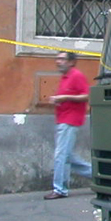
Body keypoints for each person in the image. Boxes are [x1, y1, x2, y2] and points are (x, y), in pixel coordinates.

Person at [44, 51, 92, 199]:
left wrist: (65, 97)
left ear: (71, 62)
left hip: (70, 120)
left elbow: (86, 96)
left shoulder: (76, 75)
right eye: (57, 59)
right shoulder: (65, 78)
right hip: (63, 119)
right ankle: (101, 175)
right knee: (68, 156)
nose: (58, 61)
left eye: (62, 59)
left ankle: (59, 189)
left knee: (61, 155)